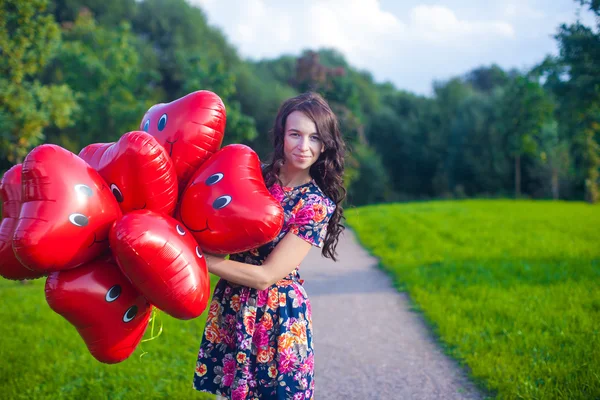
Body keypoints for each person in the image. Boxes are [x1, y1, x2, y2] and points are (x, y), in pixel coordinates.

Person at [192, 91, 347, 399]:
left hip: (276, 314)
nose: (304, 147)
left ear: (325, 144)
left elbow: (266, 276)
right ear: (281, 134)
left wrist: (198, 258)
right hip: (234, 301)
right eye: (295, 134)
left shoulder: (315, 204)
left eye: (314, 138)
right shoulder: (252, 177)